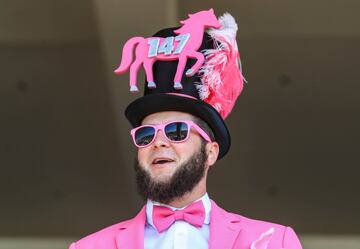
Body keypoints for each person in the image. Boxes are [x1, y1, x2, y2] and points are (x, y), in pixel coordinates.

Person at [69, 9, 303, 249]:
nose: (158, 142)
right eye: (146, 135)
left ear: (210, 152)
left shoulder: (274, 241)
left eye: (177, 131)